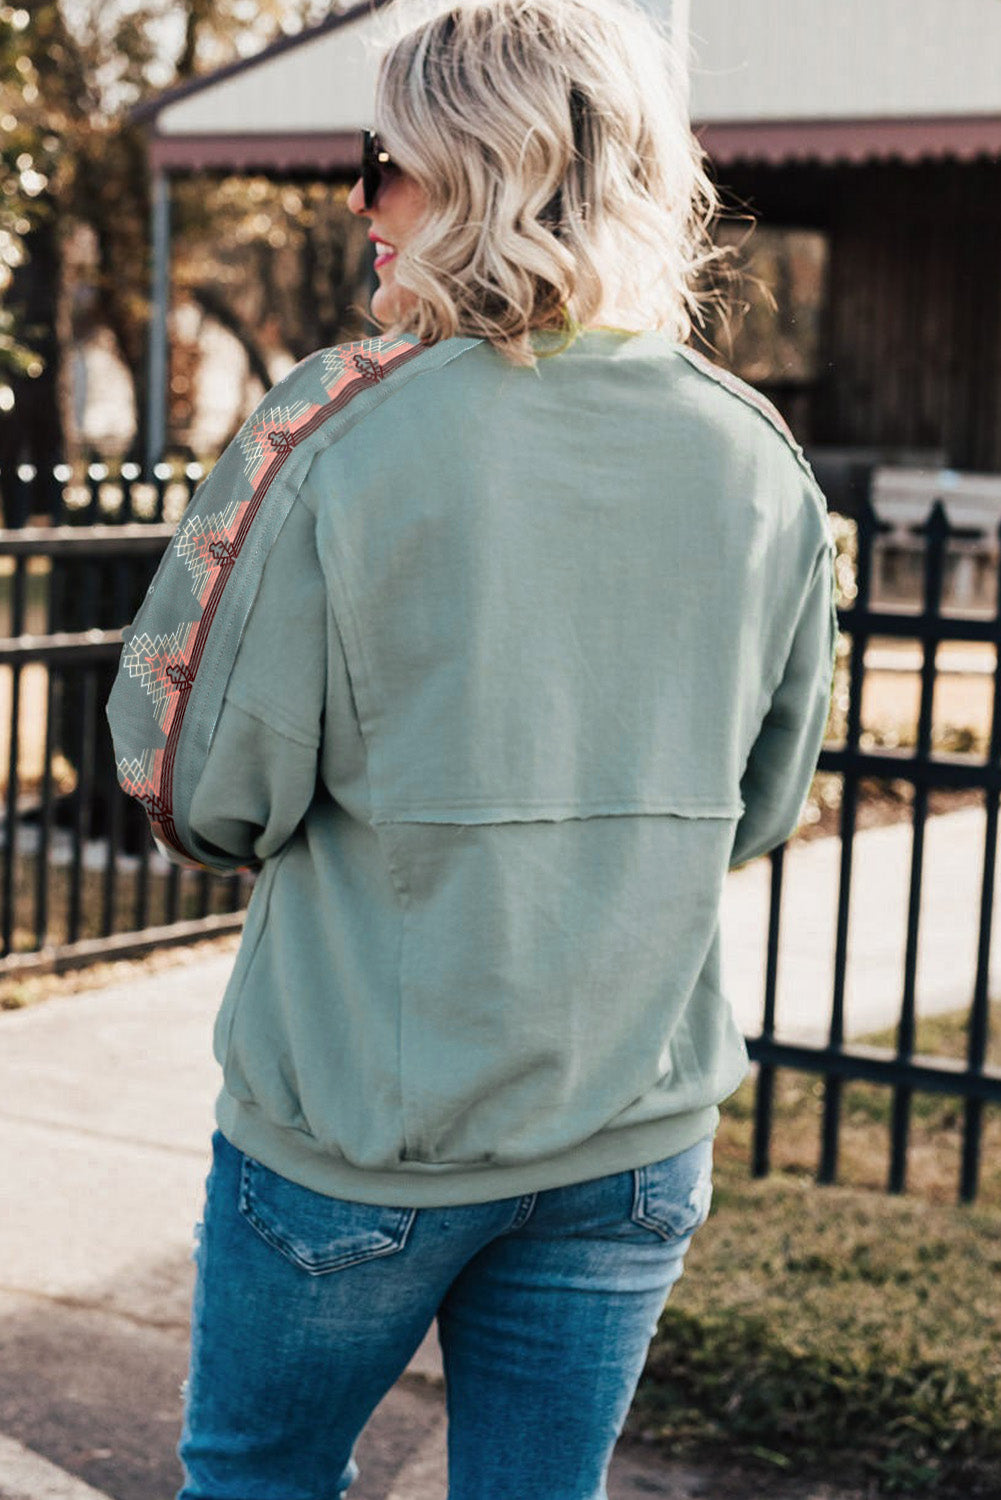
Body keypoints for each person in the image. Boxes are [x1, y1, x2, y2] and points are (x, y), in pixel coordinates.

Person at [106, 0, 838, 1495]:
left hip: (358, 1134)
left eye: (387, 159)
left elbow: (195, 790)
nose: (361, 198)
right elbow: (760, 804)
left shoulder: (332, 427)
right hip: (633, 1129)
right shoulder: (749, 450)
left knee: (254, 1483)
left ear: (489, 168)